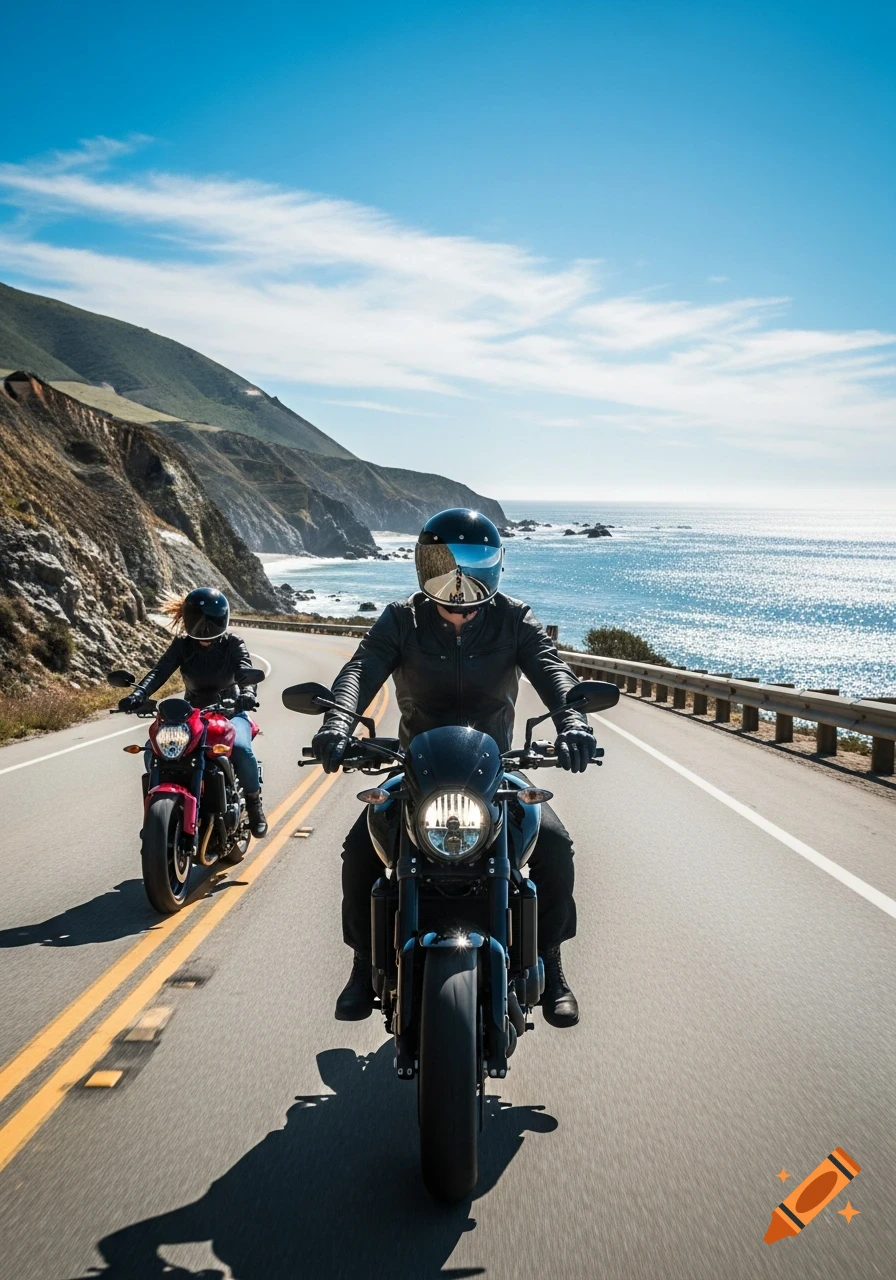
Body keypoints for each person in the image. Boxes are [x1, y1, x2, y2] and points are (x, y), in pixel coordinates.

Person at [312, 509, 598, 1028]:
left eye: (473, 564)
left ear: (495, 568)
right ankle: (362, 965)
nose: (459, 583)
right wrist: (337, 724)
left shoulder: (515, 619)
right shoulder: (402, 619)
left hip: (496, 770)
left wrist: (574, 723)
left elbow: (554, 671)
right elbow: (361, 669)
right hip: (416, 769)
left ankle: (550, 963)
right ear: (424, 567)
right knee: (360, 848)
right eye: (446, 565)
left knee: (554, 844)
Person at [117, 586, 268, 838]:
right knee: (154, 750)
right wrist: (138, 694)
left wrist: (248, 695)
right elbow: (159, 671)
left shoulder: (232, 643)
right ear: (189, 621)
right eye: (198, 622)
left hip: (230, 711)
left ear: (221, 621)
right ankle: (155, 818)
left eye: (210, 623)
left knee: (241, 748)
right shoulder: (182, 646)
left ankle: (254, 805)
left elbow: (245, 670)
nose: (204, 630)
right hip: (193, 715)